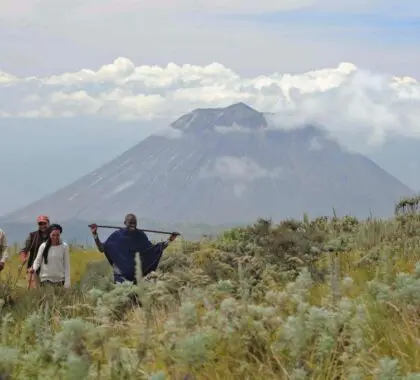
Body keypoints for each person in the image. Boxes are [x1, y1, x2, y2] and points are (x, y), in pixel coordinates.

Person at [90, 213, 178, 284]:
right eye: (130, 223)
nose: (132, 225)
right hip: (120, 279)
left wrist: (170, 240)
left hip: (137, 278)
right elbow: (102, 248)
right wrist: (95, 234)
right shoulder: (117, 236)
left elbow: (153, 250)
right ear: (125, 223)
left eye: (134, 223)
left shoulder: (140, 236)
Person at [29, 224, 71, 288]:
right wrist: (34, 269)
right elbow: (38, 261)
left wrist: (67, 282)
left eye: (57, 235)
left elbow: (67, 265)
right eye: (53, 235)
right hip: (45, 279)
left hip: (60, 280)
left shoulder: (64, 246)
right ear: (49, 234)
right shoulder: (43, 246)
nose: (55, 237)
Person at [19, 215, 51, 288]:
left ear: (48, 223)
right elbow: (24, 250)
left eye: (44, 223)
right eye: (40, 224)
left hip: (49, 269)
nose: (42, 226)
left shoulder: (53, 236)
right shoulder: (32, 236)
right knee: (33, 292)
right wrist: (23, 258)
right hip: (33, 268)